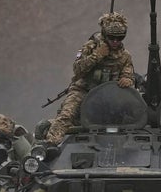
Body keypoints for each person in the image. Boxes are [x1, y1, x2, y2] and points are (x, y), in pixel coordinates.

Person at [45, 11, 135, 145]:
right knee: (67, 114)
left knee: (127, 118)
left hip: (108, 95)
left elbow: (128, 74)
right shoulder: (90, 47)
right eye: (112, 38)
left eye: (119, 38)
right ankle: (51, 144)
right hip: (83, 90)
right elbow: (77, 70)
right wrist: (97, 56)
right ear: (105, 35)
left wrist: (127, 80)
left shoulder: (124, 56)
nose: (115, 42)